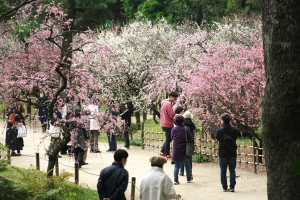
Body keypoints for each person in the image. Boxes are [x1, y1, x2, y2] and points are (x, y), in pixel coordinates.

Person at [215, 113, 238, 192]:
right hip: (232, 152)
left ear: (223, 121)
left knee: (223, 170)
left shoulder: (219, 130)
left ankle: (224, 187)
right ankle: (232, 186)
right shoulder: (234, 129)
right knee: (232, 170)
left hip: (222, 153)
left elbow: (216, 138)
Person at [171, 115, 193, 185]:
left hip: (176, 148)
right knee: (187, 164)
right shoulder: (186, 128)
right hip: (185, 148)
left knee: (177, 165)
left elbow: (172, 137)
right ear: (183, 122)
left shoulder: (173, 129)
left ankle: (176, 180)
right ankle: (189, 178)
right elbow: (191, 137)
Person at [160, 92, 178, 159]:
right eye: (175, 98)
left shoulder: (164, 102)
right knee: (168, 139)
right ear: (171, 96)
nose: (175, 100)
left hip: (163, 122)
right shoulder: (168, 104)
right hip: (168, 123)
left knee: (168, 138)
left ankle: (162, 151)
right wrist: (175, 113)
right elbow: (171, 115)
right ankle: (167, 154)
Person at [180, 111, 196, 177]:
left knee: (182, 156)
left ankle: (182, 171)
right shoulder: (192, 124)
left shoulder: (182, 124)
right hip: (190, 141)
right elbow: (194, 131)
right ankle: (190, 171)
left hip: (182, 141)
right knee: (189, 157)